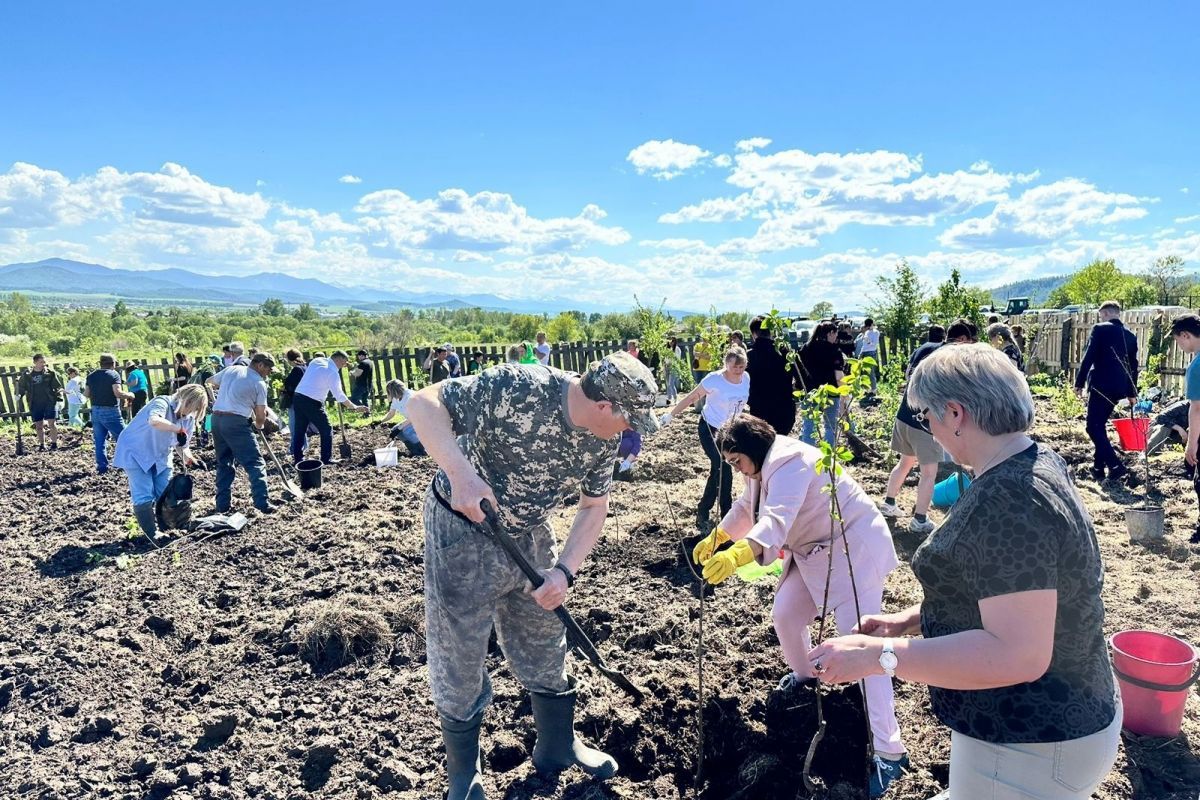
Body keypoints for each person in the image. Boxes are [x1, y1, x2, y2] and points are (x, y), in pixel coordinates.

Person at [811, 343, 1121, 800]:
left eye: (926, 417)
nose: (928, 429)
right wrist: (910, 620)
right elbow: (1011, 588)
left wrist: (881, 655)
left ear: (954, 413)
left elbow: (1017, 653)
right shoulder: (1029, 462)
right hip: (1045, 729)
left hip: (1029, 744)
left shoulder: (1011, 502)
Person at [406, 352, 660, 800]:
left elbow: (594, 507)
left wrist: (564, 571)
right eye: (629, 420)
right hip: (461, 533)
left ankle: (557, 746)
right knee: (460, 654)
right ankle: (464, 774)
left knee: (545, 637)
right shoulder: (518, 388)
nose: (631, 431)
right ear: (604, 406)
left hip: (528, 537)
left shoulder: (602, 440)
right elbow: (422, 404)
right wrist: (462, 476)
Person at [695, 414, 907, 798]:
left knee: (863, 648)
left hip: (850, 549)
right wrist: (719, 536)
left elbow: (776, 520)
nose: (735, 468)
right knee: (786, 614)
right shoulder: (758, 468)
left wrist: (738, 555)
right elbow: (748, 507)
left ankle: (890, 752)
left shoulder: (790, 461)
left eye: (735, 461)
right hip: (814, 554)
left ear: (753, 450)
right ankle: (807, 678)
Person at [879, 319, 975, 534]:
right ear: (961, 339)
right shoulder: (950, 360)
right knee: (929, 473)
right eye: (970, 342)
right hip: (924, 423)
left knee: (905, 463)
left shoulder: (928, 349)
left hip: (904, 416)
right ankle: (920, 519)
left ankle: (889, 503)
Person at [661, 346, 750, 522]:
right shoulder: (714, 380)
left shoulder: (746, 378)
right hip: (710, 428)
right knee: (723, 467)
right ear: (726, 365)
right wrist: (671, 414)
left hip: (729, 431)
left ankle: (703, 508)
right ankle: (726, 513)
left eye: (742, 367)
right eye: (735, 367)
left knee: (718, 469)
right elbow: (692, 397)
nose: (739, 371)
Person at [113, 384, 206, 537]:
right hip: (136, 451)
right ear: (185, 399)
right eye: (190, 406)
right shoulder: (162, 402)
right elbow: (154, 421)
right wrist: (176, 429)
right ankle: (152, 534)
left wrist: (190, 458)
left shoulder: (188, 419)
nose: (190, 411)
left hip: (160, 455)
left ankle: (168, 529)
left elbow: (182, 446)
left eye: (195, 409)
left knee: (166, 493)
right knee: (144, 494)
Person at [1075, 300, 1138, 481]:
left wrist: (1079, 383)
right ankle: (1097, 469)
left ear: (1105, 313)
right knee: (1099, 425)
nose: (1100, 317)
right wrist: (1132, 392)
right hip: (1119, 388)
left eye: (1100, 315)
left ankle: (1115, 465)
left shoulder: (1100, 329)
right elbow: (1133, 366)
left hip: (1101, 385)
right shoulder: (1130, 335)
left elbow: (1089, 357)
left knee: (1092, 427)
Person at [207, 352, 277, 514]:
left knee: (224, 463)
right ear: (260, 365)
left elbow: (209, 382)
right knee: (255, 463)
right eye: (269, 369)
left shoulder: (232, 369)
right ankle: (262, 503)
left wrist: (226, 392)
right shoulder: (259, 383)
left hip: (216, 420)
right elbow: (261, 415)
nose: (269, 373)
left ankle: (222, 505)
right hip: (236, 422)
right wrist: (258, 426)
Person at [290, 350, 368, 465]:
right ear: (339, 359)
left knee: (300, 429)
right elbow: (340, 396)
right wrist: (354, 407)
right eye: (344, 362)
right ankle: (326, 459)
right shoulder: (332, 372)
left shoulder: (317, 361)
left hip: (298, 397)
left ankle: (298, 459)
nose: (344, 366)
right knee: (326, 429)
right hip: (312, 401)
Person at [1170, 314, 1200, 543]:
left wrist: (1192, 443)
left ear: (1186, 335)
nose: (1180, 346)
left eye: (1179, 340)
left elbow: (1197, 408)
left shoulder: (1197, 366)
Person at [746, 315, 799, 436]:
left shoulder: (749, 356)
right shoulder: (786, 353)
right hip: (784, 408)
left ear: (754, 334)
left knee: (762, 445)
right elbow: (800, 377)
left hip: (759, 409)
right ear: (771, 332)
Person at [796, 322, 845, 448]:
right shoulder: (834, 351)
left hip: (810, 392)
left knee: (809, 425)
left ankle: (808, 456)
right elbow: (839, 377)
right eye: (836, 334)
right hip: (831, 392)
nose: (836, 338)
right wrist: (844, 396)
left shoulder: (805, 348)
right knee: (830, 426)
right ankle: (828, 457)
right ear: (830, 333)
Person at [84, 354, 135, 473]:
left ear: (100, 363)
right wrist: (130, 395)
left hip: (95, 410)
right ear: (113, 364)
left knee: (99, 440)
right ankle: (127, 463)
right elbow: (117, 393)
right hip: (110, 410)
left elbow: (86, 394)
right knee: (123, 437)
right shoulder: (113, 374)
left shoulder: (91, 376)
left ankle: (102, 466)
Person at [17, 354, 64, 450]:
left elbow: (57, 386)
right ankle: (42, 445)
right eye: (41, 362)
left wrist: (60, 394)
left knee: (52, 423)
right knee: (38, 425)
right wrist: (18, 394)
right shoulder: (27, 375)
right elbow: (21, 386)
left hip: (49, 402)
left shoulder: (50, 373)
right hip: (35, 403)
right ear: (35, 362)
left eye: (44, 362)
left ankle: (54, 444)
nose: (43, 364)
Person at [380, 379, 426, 456]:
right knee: (395, 429)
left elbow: (413, 417)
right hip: (412, 420)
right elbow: (391, 413)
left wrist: (400, 428)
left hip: (424, 419)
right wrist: (381, 421)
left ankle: (423, 450)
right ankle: (414, 449)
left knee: (407, 432)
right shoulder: (396, 398)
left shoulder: (410, 397)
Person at [279, 349, 310, 455]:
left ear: (289, 358)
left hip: (296, 402)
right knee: (300, 425)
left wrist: (284, 388)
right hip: (304, 400)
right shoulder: (304, 367)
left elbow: (291, 386)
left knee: (294, 426)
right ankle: (304, 446)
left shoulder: (296, 370)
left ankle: (294, 449)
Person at [855, 318, 881, 395]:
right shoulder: (867, 332)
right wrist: (861, 353)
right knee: (864, 372)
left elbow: (875, 344)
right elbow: (864, 345)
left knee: (871, 372)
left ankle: (873, 389)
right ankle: (867, 389)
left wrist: (868, 340)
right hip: (865, 352)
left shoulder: (876, 332)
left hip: (871, 352)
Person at [664, 336, 683, 404]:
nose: (671, 343)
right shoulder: (666, 349)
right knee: (667, 384)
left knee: (671, 383)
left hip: (673, 367)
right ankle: (669, 399)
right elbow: (665, 359)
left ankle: (675, 398)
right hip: (666, 366)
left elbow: (677, 359)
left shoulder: (677, 349)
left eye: (672, 341)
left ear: (674, 342)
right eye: (670, 341)